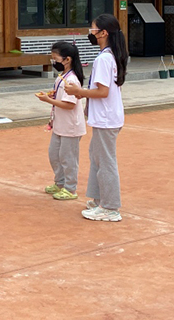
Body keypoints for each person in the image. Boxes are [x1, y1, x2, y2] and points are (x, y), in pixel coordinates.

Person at [65, 14, 128, 222]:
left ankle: (110, 207)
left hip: (106, 118)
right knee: (97, 156)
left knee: (106, 161)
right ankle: (98, 199)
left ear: (103, 33)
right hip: (107, 116)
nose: (90, 33)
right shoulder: (111, 55)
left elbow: (102, 91)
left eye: (93, 29)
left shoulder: (104, 59)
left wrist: (79, 91)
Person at [35, 41, 86, 201]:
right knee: (55, 155)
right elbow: (62, 98)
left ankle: (70, 188)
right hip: (59, 124)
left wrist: (48, 100)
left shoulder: (71, 80)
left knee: (68, 158)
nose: (54, 61)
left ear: (67, 59)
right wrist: (52, 96)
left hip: (70, 126)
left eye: (55, 58)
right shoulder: (62, 76)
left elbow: (69, 104)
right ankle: (60, 182)